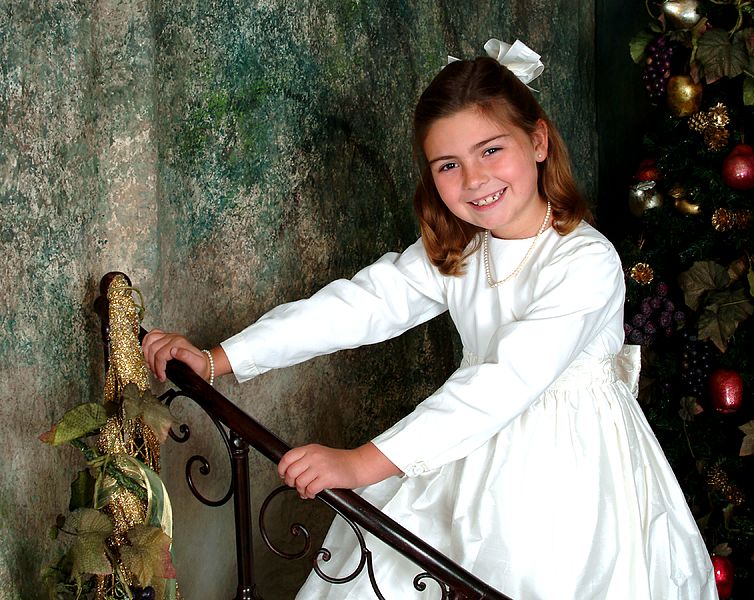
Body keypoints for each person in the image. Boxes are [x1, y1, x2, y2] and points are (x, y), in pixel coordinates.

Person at [143, 39, 716, 600]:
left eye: (492, 150)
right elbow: (360, 306)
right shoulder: (463, 247)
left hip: (570, 476)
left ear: (538, 140)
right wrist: (219, 358)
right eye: (449, 164)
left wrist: (361, 462)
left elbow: (504, 383)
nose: (474, 180)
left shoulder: (586, 261)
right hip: (463, 449)